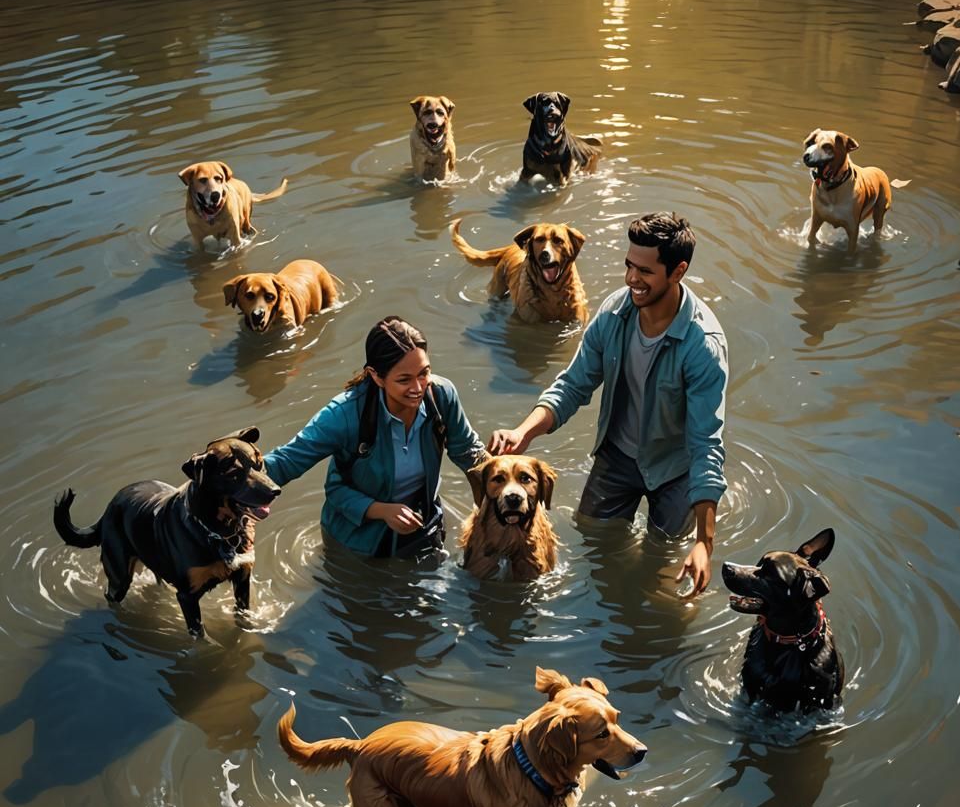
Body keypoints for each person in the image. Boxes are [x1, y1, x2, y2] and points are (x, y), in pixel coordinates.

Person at [488, 212, 728, 596]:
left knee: (664, 574)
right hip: (617, 457)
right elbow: (573, 384)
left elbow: (705, 445)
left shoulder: (703, 347)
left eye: (645, 271)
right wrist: (523, 432)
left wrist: (704, 542)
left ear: (678, 271)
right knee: (593, 547)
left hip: (675, 471)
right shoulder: (615, 312)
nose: (632, 279)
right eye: (629, 266)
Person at [264, 316, 487, 558]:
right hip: (356, 543)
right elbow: (292, 466)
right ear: (376, 376)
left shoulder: (441, 396)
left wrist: (511, 486)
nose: (418, 388)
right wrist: (380, 510)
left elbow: (471, 454)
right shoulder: (343, 415)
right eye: (404, 379)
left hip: (422, 524)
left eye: (424, 373)